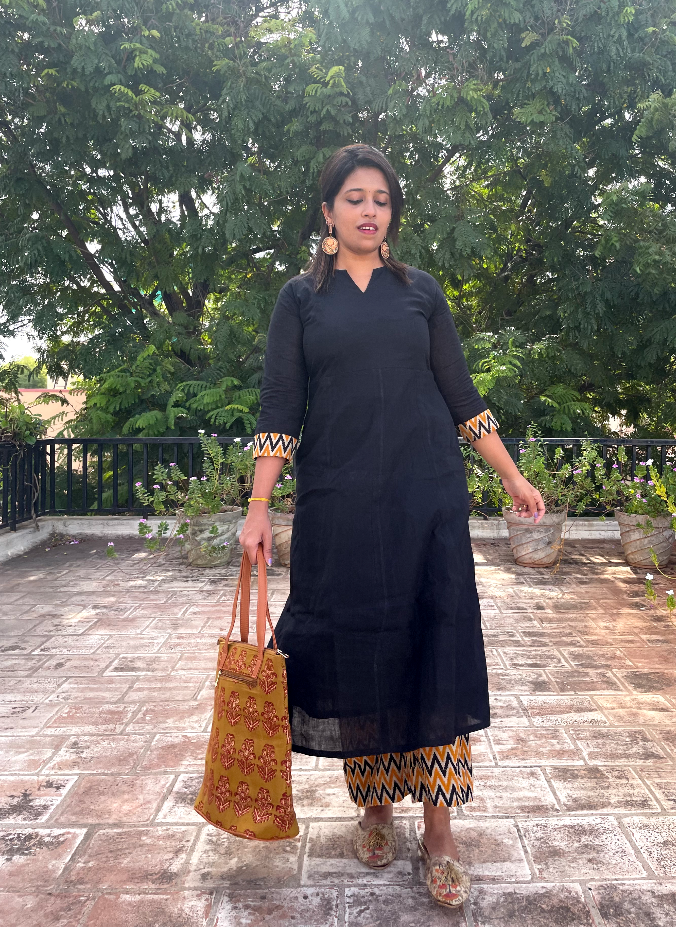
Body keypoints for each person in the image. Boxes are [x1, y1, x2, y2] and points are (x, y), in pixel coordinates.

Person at [239, 143, 544, 907]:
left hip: (424, 502)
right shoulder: (300, 300)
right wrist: (257, 507)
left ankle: (439, 832)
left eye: (381, 199)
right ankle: (374, 806)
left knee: (434, 647)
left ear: (392, 213)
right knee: (358, 652)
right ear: (328, 212)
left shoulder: (420, 292)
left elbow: (461, 396)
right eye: (354, 198)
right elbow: (279, 409)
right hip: (338, 508)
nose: (369, 210)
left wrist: (511, 475)